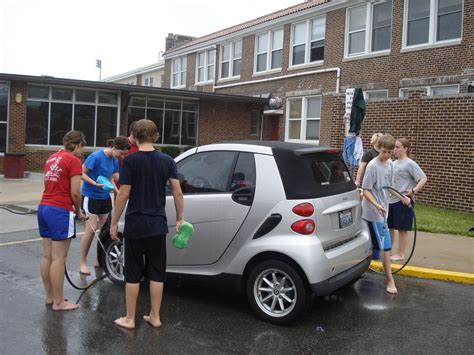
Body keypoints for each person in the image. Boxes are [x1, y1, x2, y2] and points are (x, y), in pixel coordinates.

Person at [110, 119, 184, 330]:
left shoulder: (131, 161)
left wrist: (114, 223)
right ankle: (155, 316)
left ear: (133, 136)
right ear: (156, 135)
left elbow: (123, 194)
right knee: (156, 272)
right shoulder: (167, 160)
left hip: (135, 225)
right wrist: (180, 218)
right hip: (158, 225)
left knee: (132, 273)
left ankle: (130, 319)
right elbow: (177, 192)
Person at [38, 130, 86, 311]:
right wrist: (79, 211)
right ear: (78, 144)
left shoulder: (52, 158)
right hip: (59, 210)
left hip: (44, 207)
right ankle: (59, 302)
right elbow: (75, 192)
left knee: (47, 256)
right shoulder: (73, 160)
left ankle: (50, 296)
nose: (82, 151)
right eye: (83, 146)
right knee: (59, 258)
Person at [362, 134, 410, 294]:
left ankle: (358, 271)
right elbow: (366, 190)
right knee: (386, 247)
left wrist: (402, 197)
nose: (387, 155)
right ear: (378, 149)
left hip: (383, 211)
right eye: (384, 152)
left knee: (369, 246)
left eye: (390, 152)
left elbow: (388, 188)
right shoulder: (372, 166)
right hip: (372, 213)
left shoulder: (390, 164)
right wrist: (377, 206)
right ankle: (390, 281)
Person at [79, 136, 130, 275]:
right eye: (122, 153)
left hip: (104, 197)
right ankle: (82, 263)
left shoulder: (114, 160)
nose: (122, 157)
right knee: (91, 230)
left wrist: (119, 192)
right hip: (91, 196)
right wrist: (94, 183)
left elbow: (113, 178)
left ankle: (98, 260)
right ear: (115, 148)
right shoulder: (95, 156)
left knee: (105, 231)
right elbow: (81, 173)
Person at [388, 138, 427, 261]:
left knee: (402, 229)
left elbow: (423, 178)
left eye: (398, 147)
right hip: (391, 200)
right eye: (394, 147)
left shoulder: (410, 163)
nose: (395, 149)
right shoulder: (393, 163)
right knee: (390, 227)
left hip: (404, 201)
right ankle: (388, 251)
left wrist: (414, 191)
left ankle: (401, 254)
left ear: (405, 149)